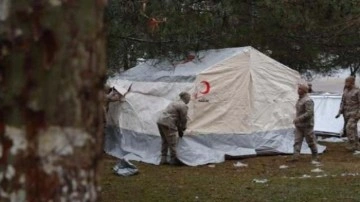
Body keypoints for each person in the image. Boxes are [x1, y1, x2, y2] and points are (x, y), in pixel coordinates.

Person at [157, 92, 191, 165]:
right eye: (189, 98)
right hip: (168, 123)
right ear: (185, 98)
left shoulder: (174, 103)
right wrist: (183, 128)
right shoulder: (183, 106)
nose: (189, 100)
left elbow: (177, 119)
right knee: (172, 142)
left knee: (165, 141)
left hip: (160, 121)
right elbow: (183, 119)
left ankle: (163, 158)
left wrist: (179, 130)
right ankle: (173, 159)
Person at [290, 84, 319, 162]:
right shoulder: (300, 100)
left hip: (307, 125)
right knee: (297, 141)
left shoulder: (308, 100)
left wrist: (299, 119)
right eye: (298, 88)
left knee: (310, 141)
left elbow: (309, 113)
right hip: (299, 125)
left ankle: (315, 155)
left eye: (300, 89)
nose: (298, 90)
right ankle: (295, 156)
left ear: (304, 90)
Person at [335, 76, 360, 151]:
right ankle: (357, 145)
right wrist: (339, 112)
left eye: (347, 82)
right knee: (353, 129)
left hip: (354, 113)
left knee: (348, 127)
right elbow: (343, 102)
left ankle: (352, 144)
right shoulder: (345, 90)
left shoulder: (357, 91)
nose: (346, 83)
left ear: (352, 82)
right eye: (345, 82)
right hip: (346, 113)